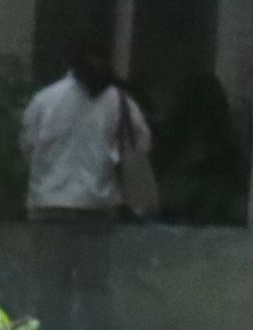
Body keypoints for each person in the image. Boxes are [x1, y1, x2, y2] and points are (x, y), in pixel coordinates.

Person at [19, 43, 154, 220]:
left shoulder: (44, 99)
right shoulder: (121, 101)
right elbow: (141, 144)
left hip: (47, 202)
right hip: (99, 204)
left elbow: (27, 146)